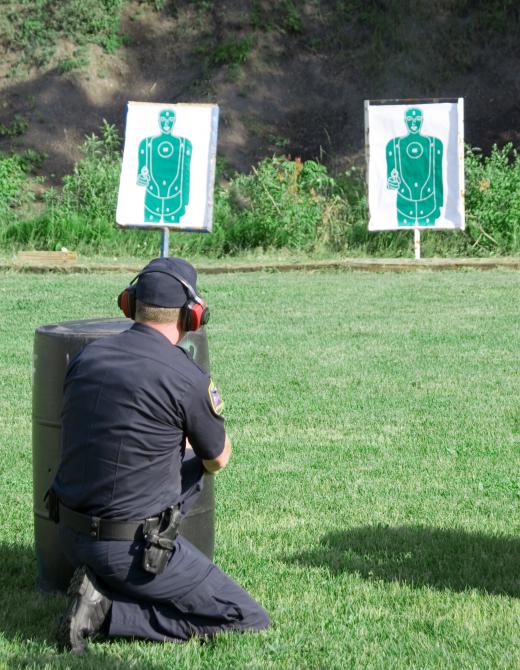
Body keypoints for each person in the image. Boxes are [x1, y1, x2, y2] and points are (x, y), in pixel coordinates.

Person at [51, 256, 269, 653]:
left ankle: (101, 585)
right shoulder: (186, 376)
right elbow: (218, 458)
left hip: (68, 535)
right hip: (133, 551)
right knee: (247, 618)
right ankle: (107, 613)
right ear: (192, 316)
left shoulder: (86, 358)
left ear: (129, 304)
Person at [386, 107, 444, 227]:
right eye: (410, 119)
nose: (413, 123)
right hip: (404, 204)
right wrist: (392, 182)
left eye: (417, 119)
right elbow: (390, 177)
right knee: (403, 237)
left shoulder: (434, 144)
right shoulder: (393, 145)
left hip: (428, 203)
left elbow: (438, 174)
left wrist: (440, 202)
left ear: (422, 120)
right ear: (405, 120)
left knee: (429, 236)